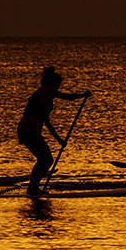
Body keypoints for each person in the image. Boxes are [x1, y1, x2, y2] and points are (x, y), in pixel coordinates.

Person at [18, 66, 90, 194]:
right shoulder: (45, 91)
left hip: (31, 130)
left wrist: (59, 140)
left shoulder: (45, 98)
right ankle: (33, 188)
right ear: (52, 84)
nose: (57, 88)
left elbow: (47, 123)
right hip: (28, 130)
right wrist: (82, 95)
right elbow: (67, 97)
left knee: (45, 159)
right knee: (45, 159)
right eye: (57, 85)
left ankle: (33, 187)